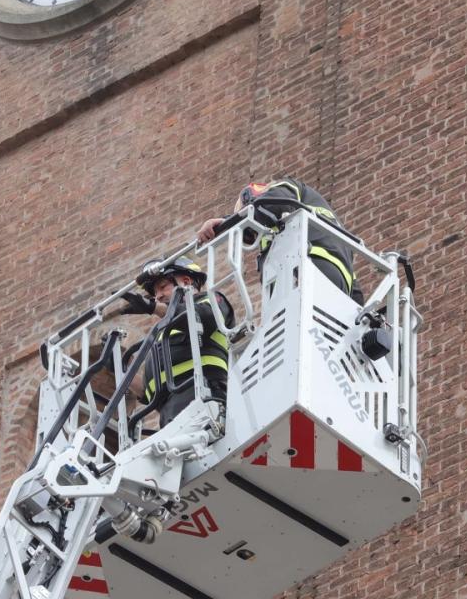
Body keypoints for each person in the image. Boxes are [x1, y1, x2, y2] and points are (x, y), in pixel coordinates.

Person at [196, 179, 357, 298]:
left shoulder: (280, 190)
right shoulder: (329, 228)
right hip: (339, 284)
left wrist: (226, 222)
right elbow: (356, 292)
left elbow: (269, 205)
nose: (253, 237)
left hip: (308, 265)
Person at [123, 257, 234, 427]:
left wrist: (155, 308)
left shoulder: (210, 300)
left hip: (205, 396)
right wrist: (122, 365)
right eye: (154, 293)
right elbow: (148, 393)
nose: (158, 296)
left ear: (186, 282)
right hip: (169, 414)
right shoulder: (163, 333)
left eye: (162, 287)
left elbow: (205, 318)